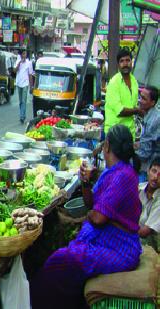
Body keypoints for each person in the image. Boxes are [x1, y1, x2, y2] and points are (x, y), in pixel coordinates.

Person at [30, 124, 142, 309]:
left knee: (60, 260)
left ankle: (39, 302)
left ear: (106, 146)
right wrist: (85, 181)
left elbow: (97, 217)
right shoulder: (111, 171)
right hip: (107, 238)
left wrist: (91, 214)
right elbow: (90, 203)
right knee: (62, 261)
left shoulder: (123, 175)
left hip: (120, 247)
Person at [104, 48, 144, 139]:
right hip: (115, 134)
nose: (125, 64)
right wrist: (137, 111)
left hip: (130, 133)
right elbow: (120, 111)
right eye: (122, 61)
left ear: (132, 62)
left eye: (128, 60)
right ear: (118, 65)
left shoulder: (134, 81)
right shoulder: (113, 83)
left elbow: (133, 105)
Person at [135, 86, 160, 179]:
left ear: (153, 103)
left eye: (144, 99)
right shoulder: (151, 115)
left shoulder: (153, 121)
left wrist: (128, 150)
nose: (140, 100)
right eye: (140, 97)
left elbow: (144, 154)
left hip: (151, 166)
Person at [138, 157, 160, 251]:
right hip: (135, 238)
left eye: (159, 175)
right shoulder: (138, 188)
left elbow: (144, 232)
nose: (155, 177)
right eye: (153, 171)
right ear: (148, 171)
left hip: (151, 247)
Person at [14, 50, 33, 124]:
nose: (24, 55)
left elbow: (30, 75)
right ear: (21, 55)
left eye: (25, 54)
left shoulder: (29, 63)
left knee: (24, 100)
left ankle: (22, 116)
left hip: (25, 83)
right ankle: (22, 114)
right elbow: (15, 70)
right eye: (23, 54)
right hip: (19, 83)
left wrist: (31, 86)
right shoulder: (18, 61)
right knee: (20, 101)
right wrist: (19, 63)